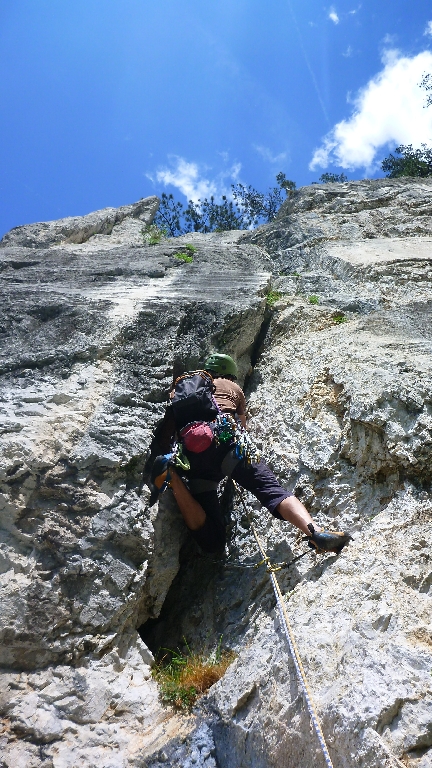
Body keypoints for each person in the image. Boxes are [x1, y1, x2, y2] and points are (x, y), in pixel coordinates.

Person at [149, 353, 351, 555]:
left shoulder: (181, 393)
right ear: (230, 374)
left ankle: (173, 479)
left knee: (212, 540)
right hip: (228, 445)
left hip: (194, 459)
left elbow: (166, 436)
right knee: (272, 491)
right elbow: (242, 428)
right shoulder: (232, 388)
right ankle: (316, 533)